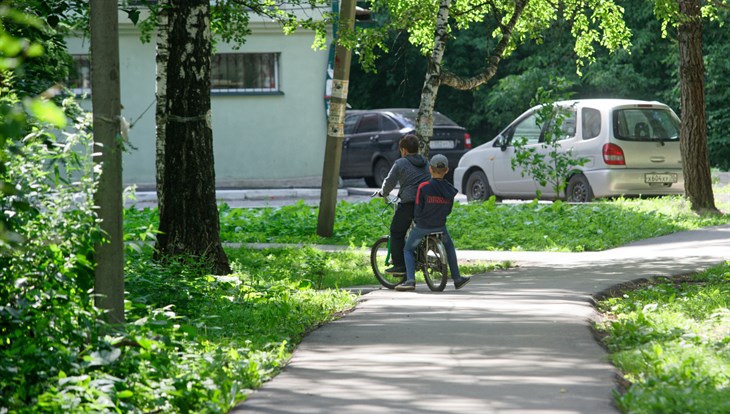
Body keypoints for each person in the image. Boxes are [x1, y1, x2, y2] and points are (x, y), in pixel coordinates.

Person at [396, 154, 471, 291]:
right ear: (447, 170)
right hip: (440, 227)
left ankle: (410, 280)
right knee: (449, 247)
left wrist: (417, 220)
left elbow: (418, 207)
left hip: (422, 227)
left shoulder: (423, 187)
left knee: (408, 249)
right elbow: (448, 211)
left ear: (430, 169)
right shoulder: (450, 189)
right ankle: (457, 278)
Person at [377, 134, 431, 275]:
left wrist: (382, 193)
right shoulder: (426, 162)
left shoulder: (400, 163)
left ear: (404, 150)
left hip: (409, 203)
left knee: (396, 231)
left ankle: (399, 265)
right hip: (426, 204)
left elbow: (389, 182)